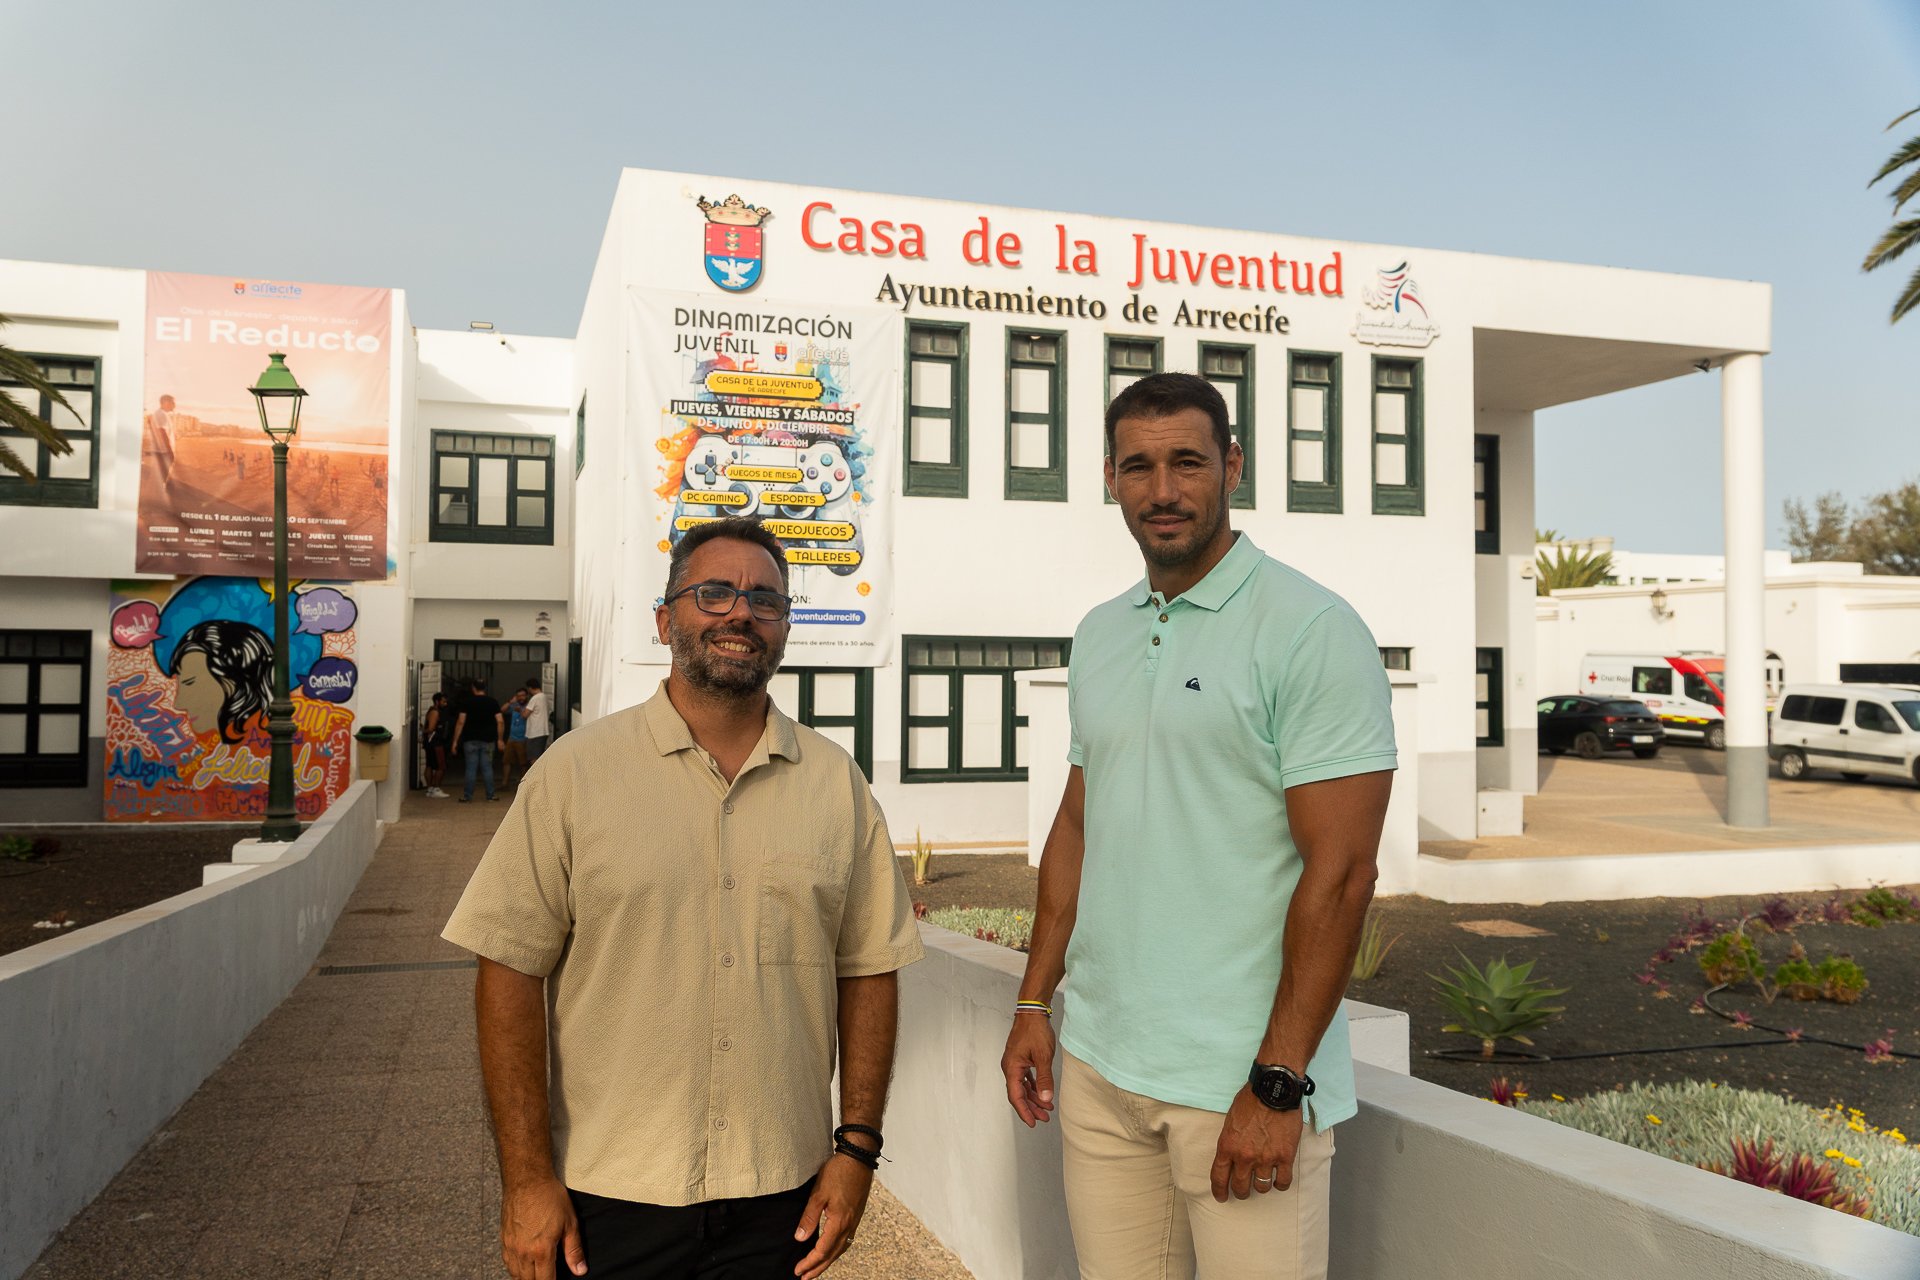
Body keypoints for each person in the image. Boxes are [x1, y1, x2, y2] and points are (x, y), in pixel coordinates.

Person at [443, 517, 922, 1280]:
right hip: (606, 1195)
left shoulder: (837, 785)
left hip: (782, 1192)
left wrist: (857, 1149)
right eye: (715, 593)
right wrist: (527, 1178)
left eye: (766, 600)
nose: (741, 613)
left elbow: (868, 969)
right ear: (666, 620)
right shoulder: (574, 776)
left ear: (785, 627)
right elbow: (507, 968)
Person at [1001, 373, 1397, 1280]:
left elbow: (1343, 875)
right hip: (1100, 1069)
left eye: (1187, 461)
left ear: (1233, 466)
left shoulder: (1311, 629)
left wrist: (1278, 1082)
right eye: (1139, 467)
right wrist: (1033, 1002)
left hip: (1240, 1084)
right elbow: (1079, 822)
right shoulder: (1101, 632)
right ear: (1110, 478)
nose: (1164, 490)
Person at [453, 677, 505, 803]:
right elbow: (500, 721)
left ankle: (467, 796)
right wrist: (500, 739)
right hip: (488, 741)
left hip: (470, 740)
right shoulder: (492, 702)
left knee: (471, 768)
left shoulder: (467, 702)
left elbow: (461, 722)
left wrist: (455, 741)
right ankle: (491, 795)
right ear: (485, 688)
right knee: (487, 768)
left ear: (473, 688)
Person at [423, 691, 453, 798]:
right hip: (435, 743)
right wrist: (423, 731)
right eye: (443, 702)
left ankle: (430, 789)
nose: (445, 704)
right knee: (440, 766)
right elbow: (431, 728)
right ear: (437, 701)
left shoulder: (433, 711)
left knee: (430, 765)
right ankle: (435, 788)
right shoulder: (435, 712)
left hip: (431, 743)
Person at [501, 688, 530, 789]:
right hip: (511, 738)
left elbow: (526, 716)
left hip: (523, 738)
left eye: (522, 695)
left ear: (527, 696)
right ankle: (505, 784)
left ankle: (523, 785)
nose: (521, 698)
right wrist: (510, 701)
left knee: (523, 763)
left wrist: (520, 710)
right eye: (518, 696)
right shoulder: (514, 705)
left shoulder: (529, 706)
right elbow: (502, 710)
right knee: (506, 761)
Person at [522, 676, 552, 765]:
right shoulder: (544, 697)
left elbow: (525, 714)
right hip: (543, 731)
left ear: (530, 688)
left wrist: (520, 710)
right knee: (539, 756)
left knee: (534, 758)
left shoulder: (535, 698)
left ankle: (536, 774)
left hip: (535, 732)